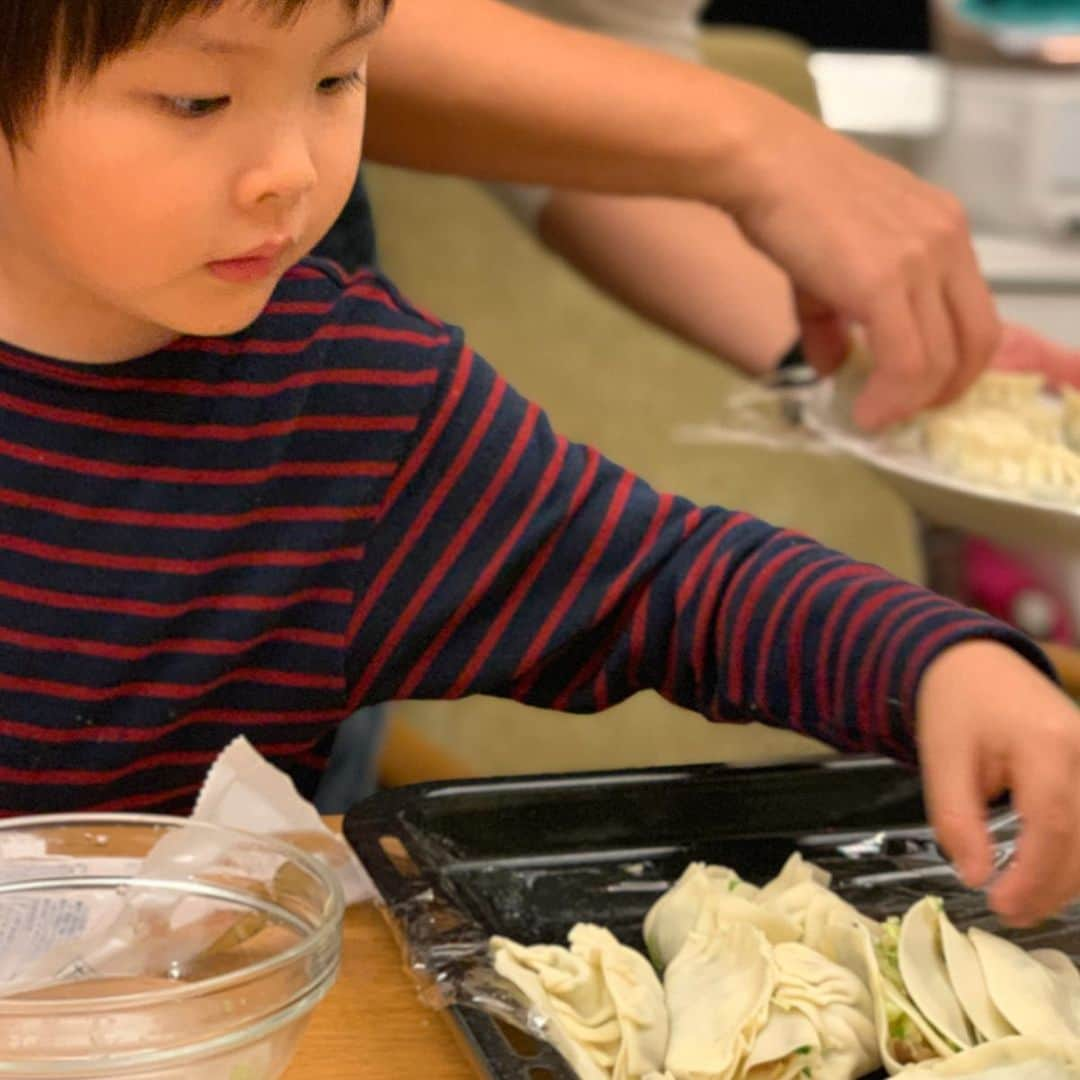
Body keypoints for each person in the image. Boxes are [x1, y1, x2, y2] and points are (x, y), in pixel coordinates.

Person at [1, 0, 1079, 932]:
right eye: (197, 101)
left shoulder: (357, 405)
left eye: (338, 76)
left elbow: (676, 585)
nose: (292, 172)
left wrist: (938, 663)